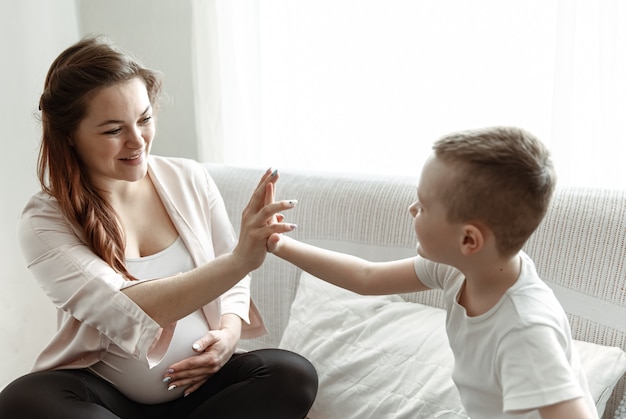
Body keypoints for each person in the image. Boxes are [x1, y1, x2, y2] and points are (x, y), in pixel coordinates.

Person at [0, 36, 317, 419]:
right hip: (108, 399)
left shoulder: (189, 178)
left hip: (200, 396)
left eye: (145, 119)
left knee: (291, 374)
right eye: (113, 130)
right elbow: (126, 306)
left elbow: (229, 276)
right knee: (22, 400)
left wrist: (230, 331)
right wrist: (239, 260)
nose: (137, 141)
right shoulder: (45, 220)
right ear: (70, 135)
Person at [266, 126, 598, 419]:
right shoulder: (457, 270)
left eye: (422, 206)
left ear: (469, 238)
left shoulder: (524, 330)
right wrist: (279, 245)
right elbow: (366, 278)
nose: (411, 209)